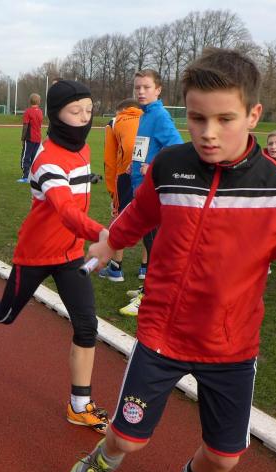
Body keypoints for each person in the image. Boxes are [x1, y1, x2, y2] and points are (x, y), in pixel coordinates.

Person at [67, 49, 276, 472]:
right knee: (126, 438)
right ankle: (103, 458)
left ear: (253, 115)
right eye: (197, 118)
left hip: (231, 348)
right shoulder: (170, 165)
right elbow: (141, 211)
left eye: (225, 119)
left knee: (225, 456)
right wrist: (110, 242)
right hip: (162, 335)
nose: (208, 132)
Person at [0, 80, 110, 435]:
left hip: (71, 254)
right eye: (75, 111)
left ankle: (79, 405)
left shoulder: (84, 149)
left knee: (86, 326)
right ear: (56, 114)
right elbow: (65, 211)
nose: (84, 118)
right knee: (5, 314)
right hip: (36, 254)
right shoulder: (46, 161)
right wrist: (103, 233)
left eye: (89, 111)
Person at [120, 69, 183, 316]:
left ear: (158, 90)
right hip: (141, 188)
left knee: (155, 245)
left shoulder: (159, 116)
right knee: (149, 240)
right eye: (137, 87)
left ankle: (150, 296)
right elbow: (146, 147)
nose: (140, 92)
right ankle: (149, 288)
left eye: (146, 87)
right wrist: (135, 163)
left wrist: (154, 165)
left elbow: (176, 148)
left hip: (154, 191)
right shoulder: (145, 115)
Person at [98, 98, 143, 282]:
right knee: (151, 221)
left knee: (119, 219)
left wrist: (112, 191)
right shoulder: (151, 118)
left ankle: (116, 268)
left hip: (125, 174)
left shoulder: (115, 122)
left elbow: (109, 160)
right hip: (150, 172)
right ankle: (145, 268)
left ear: (122, 110)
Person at [18, 93, 43, 183]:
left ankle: (25, 177)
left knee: (26, 157)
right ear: (39, 102)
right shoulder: (40, 111)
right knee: (34, 158)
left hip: (30, 138)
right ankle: (34, 176)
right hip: (38, 138)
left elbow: (25, 126)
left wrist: (23, 138)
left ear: (30, 101)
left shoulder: (28, 112)